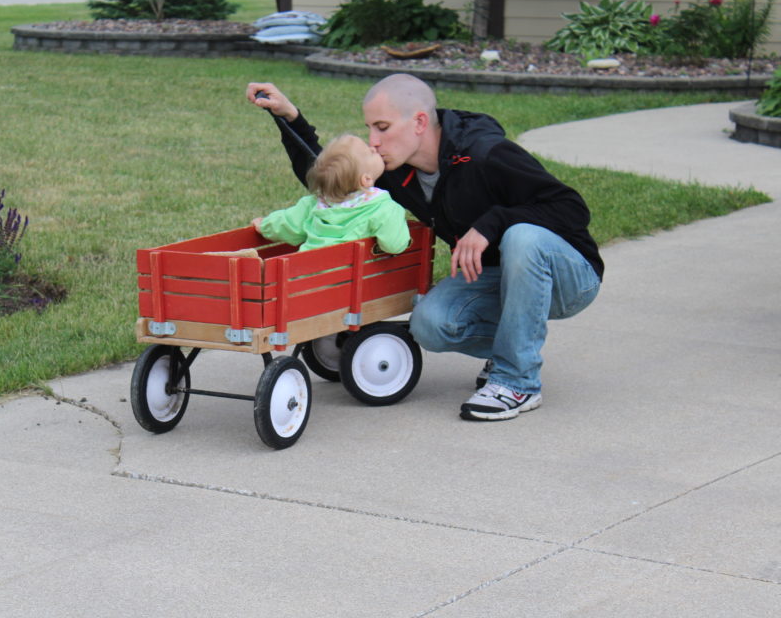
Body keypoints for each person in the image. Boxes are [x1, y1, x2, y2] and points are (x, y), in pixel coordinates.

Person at [246, 74, 603, 421]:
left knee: (521, 236)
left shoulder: (484, 153)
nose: (372, 141)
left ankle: (517, 381)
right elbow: (334, 177)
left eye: (382, 128)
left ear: (418, 122)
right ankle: (513, 345)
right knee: (429, 324)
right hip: (497, 275)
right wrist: (289, 117)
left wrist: (490, 224)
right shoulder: (394, 169)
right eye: (369, 128)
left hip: (567, 276)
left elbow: (571, 208)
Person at [253, 133, 410, 255]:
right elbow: (394, 245)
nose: (374, 148)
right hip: (350, 281)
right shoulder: (383, 208)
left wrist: (265, 225)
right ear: (366, 179)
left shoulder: (314, 205)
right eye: (369, 152)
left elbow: (288, 224)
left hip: (305, 278)